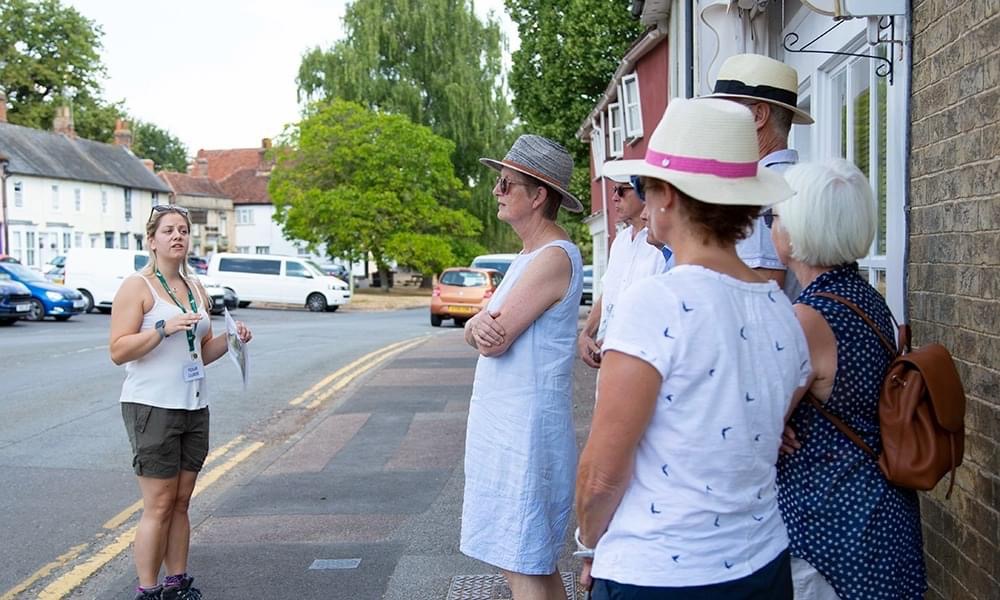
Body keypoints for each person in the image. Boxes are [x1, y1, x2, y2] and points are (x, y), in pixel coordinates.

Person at [575, 98, 810, 599]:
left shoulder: (656, 303)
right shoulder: (782, 310)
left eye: (646, 186)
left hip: (663, 570)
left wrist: (592, 540)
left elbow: (602, 476)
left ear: (666, 198)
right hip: (762, 564)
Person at [771, 159, 927, 599]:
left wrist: (772, 423)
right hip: (880, 512)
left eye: (775, 216)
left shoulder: (808, 318)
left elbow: (753, 425)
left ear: (799, 232)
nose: (771, 225)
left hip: (831, 529)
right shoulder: (866, 300)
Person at [460, 134, 584, 599]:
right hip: (510, 427)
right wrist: (476, 324)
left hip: (525, 431)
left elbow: (492, 339)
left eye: (507, 184)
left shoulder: (553, 257)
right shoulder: (529, 257)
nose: (497, 191)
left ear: (538, 196)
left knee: (525, 562)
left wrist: (480, 326)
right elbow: (477, 331)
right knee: (522, 562)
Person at [110, 205, 253, 600]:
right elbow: (118, 351)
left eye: (184, 231)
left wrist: (232, 340)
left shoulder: (195, 288)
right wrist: (162, 328)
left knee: (181, 501)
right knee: (157, 504)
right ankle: (148, 590)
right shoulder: (137, 287)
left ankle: (176, 582)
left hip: (193, 405)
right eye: (169, 230)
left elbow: (201, 353)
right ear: (151, 240)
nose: (178, 237)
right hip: (152, 407)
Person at [706, 53, 814, 299]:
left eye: (724, 109)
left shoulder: (760, 189)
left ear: (758, 116)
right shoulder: (801, 180)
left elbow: (762, 294)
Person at [578, 173, 666, 368]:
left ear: (644, 193)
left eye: (621, 190)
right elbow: (609, 291)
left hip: (643, 360)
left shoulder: (662, 245)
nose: (614, 197)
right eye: (613, 190)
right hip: (610, 357)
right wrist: (586, 333)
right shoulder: (620, 241)